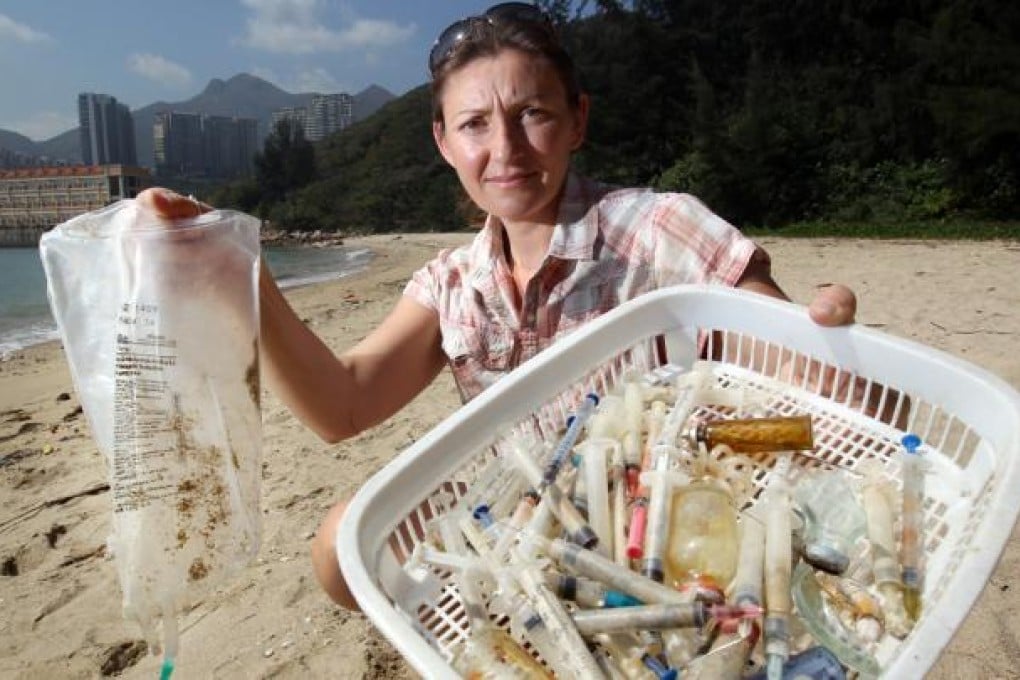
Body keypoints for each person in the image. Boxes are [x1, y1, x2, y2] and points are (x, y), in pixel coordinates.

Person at [138, 2, 857, 610]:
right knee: (339, 547)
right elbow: (342, 404)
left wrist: (824, 332)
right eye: (475, 124)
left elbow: (800, 368)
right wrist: (243, 272)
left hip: (660, 521)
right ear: (444, 142)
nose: (505, 148)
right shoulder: (453, 282)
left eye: (531, 113)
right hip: (517, 522)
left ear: (577, 120)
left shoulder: (658, 228)